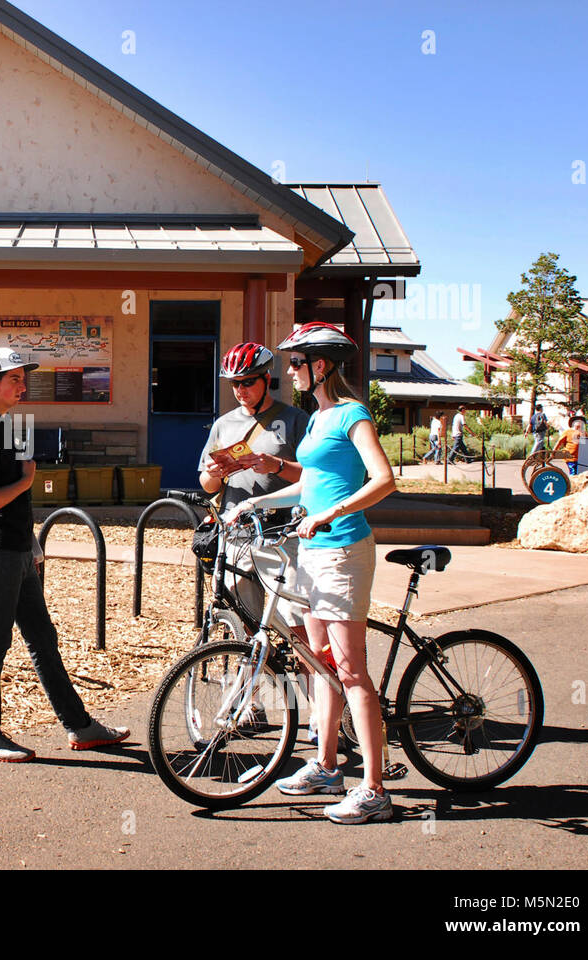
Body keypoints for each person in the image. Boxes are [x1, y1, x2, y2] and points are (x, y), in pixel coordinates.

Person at [231, 322, 397, 824]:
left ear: (320, 366)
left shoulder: (352, 414)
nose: (290, 371)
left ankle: (374, 790)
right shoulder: (318, 416)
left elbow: (385, 479)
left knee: (350, 672)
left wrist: (331, 513)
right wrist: (258, 497)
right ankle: (325, 766)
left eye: (297, 363)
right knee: (320, 663)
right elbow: (313, 484)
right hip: (313, 554)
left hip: (344, 551)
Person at [0, 346, 128, 763]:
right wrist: (28, 479)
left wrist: (31, 542)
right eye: (14, 378)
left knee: (42, 639)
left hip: (16, 548)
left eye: (23, 378)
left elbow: (13, 500)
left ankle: (79, 726)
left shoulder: (4, 426)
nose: (22, 385)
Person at [198, 342, 312, 696]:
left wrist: (276, 465)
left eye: (248, 381)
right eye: (234, 384)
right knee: (247, 624)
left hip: (283, 532)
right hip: (238, 534)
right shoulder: (224, 424)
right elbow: (205, 483)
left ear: (266, 379)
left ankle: (320, 711)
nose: (241, 390)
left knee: (297, 623)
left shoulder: (295, 420)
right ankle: (254, 703)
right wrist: (215, 473)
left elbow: (314, 475)